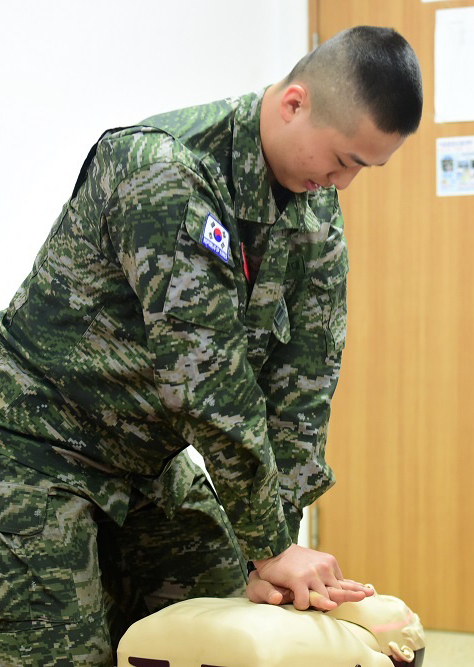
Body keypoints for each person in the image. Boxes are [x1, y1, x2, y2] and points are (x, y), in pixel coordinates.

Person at [0, 25, 422, 666]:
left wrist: (278, 541)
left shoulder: (315, 209)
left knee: (231, 623)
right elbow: (206, 382)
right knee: (65, 653)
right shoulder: (165, 172)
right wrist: (270, 546)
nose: (345, 183)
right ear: (293, 104)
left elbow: (305, 382)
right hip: (38, 445)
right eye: (341, 160)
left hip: (149, 461)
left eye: (364, 168)